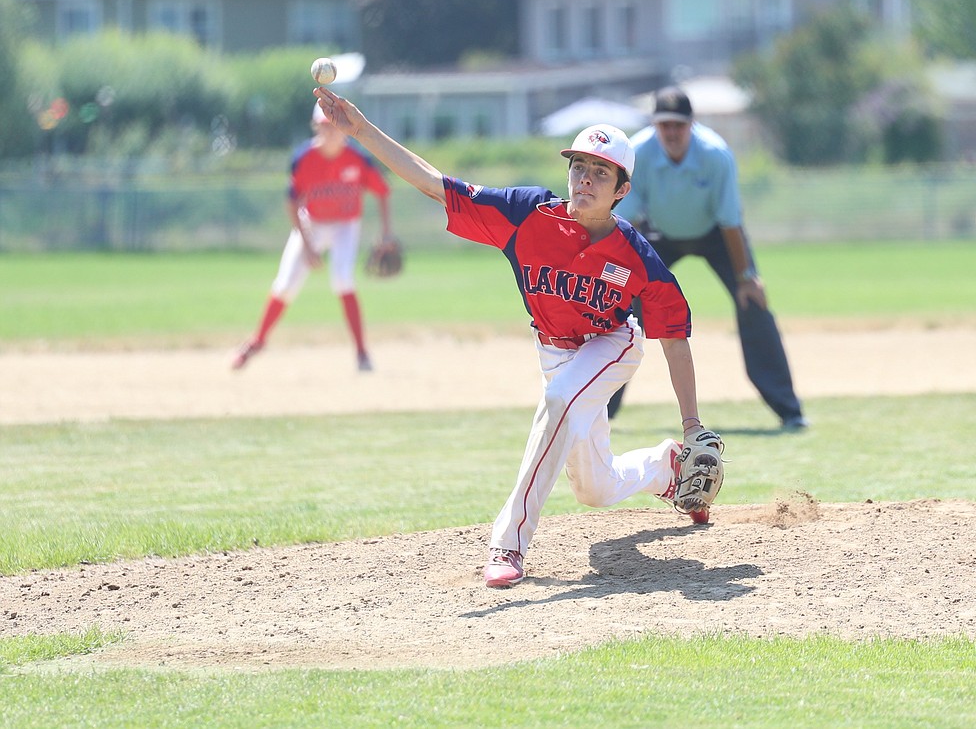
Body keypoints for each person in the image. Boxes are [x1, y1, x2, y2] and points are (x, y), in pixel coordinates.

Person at [312, 86, 722, 588]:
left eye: (600, 172)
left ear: (621, 190)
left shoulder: (636, 256)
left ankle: (508, 542)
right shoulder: (527, 215)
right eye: (578, 167)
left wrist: (693, 422)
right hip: (554, 351)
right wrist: (361, 131)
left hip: (613, 346)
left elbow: (674, 335)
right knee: (595, 488)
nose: (585, 179)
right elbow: (438, 186)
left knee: (558, 398)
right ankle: (669, 472)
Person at [606, 86, 807, 431]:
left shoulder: (715, 154)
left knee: (754, 302)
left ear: (692, 125)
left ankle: (789, 410)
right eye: (664, 125)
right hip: (659, 235)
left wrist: (745, 276)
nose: (671, 133)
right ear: (655, 125)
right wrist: (622, 279)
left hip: (716, 235)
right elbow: (630, 223)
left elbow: (731, 221)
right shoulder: (637, 153)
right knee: (616, 304)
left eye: (678, 126)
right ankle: (601, 410)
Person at [232, 103, 393, 371]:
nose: (328, 131)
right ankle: (257, 342)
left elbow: (383, 191)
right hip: (312, 223)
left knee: (342, 280)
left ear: (344, 129)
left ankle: (362, 352)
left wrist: (386, 233)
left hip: (345, 224)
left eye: (333, 125)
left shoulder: (358, 160)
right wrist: (307, 246)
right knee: (284, 285)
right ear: (315, 127)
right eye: (323, 125)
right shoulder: (303, 159)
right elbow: (292, 203)